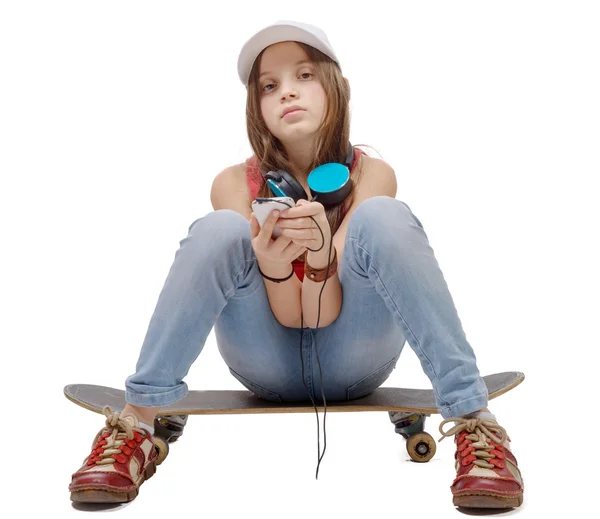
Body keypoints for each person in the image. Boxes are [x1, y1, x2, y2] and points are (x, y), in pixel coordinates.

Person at [69, 20, 524, 509]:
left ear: (335, 87)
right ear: (257, 106)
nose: (287, 92)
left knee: (384, 217)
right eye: (270, 85)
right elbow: (291, 316)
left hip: (356, 355)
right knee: (220, 228)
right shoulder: (231, 183)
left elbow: (325, 313)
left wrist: (323, 257)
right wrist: (273, 266)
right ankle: (136, 421)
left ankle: (476, 421)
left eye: (304, 76)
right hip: (265, 359)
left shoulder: (372, 175)